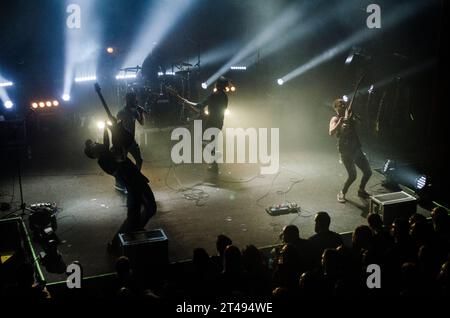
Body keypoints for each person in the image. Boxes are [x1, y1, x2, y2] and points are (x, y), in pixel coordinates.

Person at [84, 127, 156, 251]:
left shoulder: (107, 152)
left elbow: (106, 142)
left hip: (136, 183)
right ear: (94, 154)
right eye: (94, 146)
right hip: (134, 186)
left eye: (95, 143)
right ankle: (117, 242)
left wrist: (108, 128)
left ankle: (130, 234)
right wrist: (114, 130)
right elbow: (115, 149)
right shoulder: (104, 160)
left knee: (142, 213)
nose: (97, 143)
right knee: (145, 211)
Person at [329, 98, 372, 203]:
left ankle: (361, 190)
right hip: (346, 152)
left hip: (356, 149)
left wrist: (354, 116)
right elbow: (331, 132)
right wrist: (340, 122)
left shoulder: (350, 117)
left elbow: (361, 123)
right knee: (352, 176)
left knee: (368, 172)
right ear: (336, 108)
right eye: (341, 105)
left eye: (344, 104)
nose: (344, 106)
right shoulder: (335, 118)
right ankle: (342, 192)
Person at [117, 92, 145, 170]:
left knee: (139, 160)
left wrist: (141, 112)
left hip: (131, 141)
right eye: (133, 100)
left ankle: (136, 177)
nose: (135, 101)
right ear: (128, 100)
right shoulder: (121, 112)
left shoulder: (135, 112)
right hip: (123, 141)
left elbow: (142, 123)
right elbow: (116, 126)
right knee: (122, 161)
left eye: (135, 99)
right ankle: (122, 179)